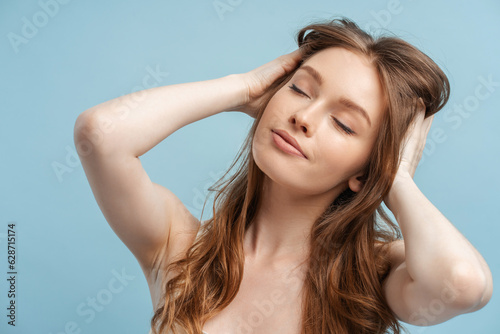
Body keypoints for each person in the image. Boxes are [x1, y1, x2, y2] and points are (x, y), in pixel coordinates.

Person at [74, 17, 492, 334]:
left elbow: (462, 284)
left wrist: (394, 177)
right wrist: (239, 87)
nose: (303, 117)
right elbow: (100, 135)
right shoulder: (180, 246)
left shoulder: (374, 276)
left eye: (344, 124)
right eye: (300, 89)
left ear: (365, 169)